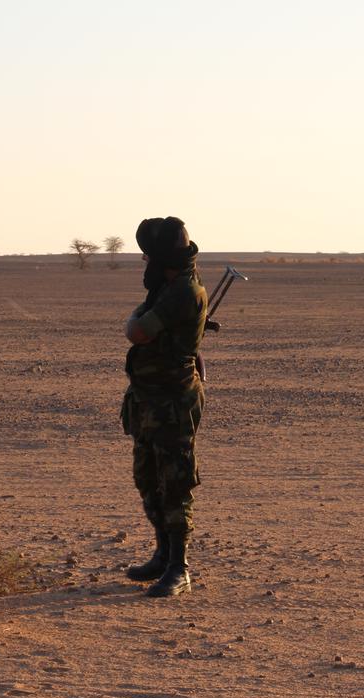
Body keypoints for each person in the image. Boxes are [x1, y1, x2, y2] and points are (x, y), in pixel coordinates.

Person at [120, 216, 208, 597]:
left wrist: (133, 319)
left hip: (172, 402)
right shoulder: (166, 287)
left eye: (147, 256)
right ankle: (161, 554)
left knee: (174, 484)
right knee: (148, 478)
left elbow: (137, 331)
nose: (144, 263)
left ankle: (178, 568)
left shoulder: (182, 292)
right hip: (148, 399)